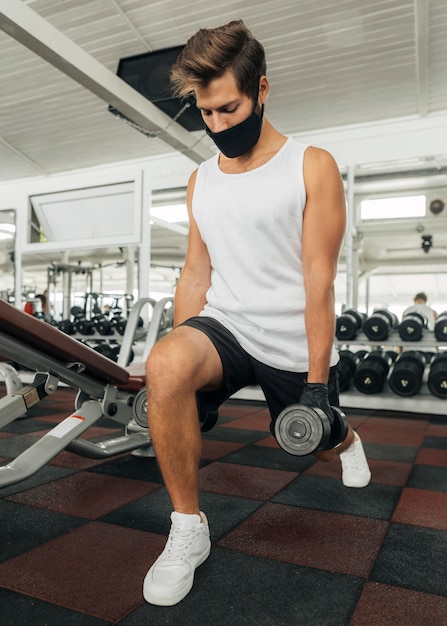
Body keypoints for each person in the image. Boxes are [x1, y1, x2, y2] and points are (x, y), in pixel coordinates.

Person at [143, 19, 371, 606]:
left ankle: (348, 442)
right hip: (228, 326)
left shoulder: (310, 165)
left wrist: (317, 387)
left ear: (262, 90)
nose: (217, 125)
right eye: (206, 113)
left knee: (312, 438)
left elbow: (319, 280)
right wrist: (179, 374)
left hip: (294, 336)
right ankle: (188, 529)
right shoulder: (201, 181)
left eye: (229, 108)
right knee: (165, 366)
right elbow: (196, 272)